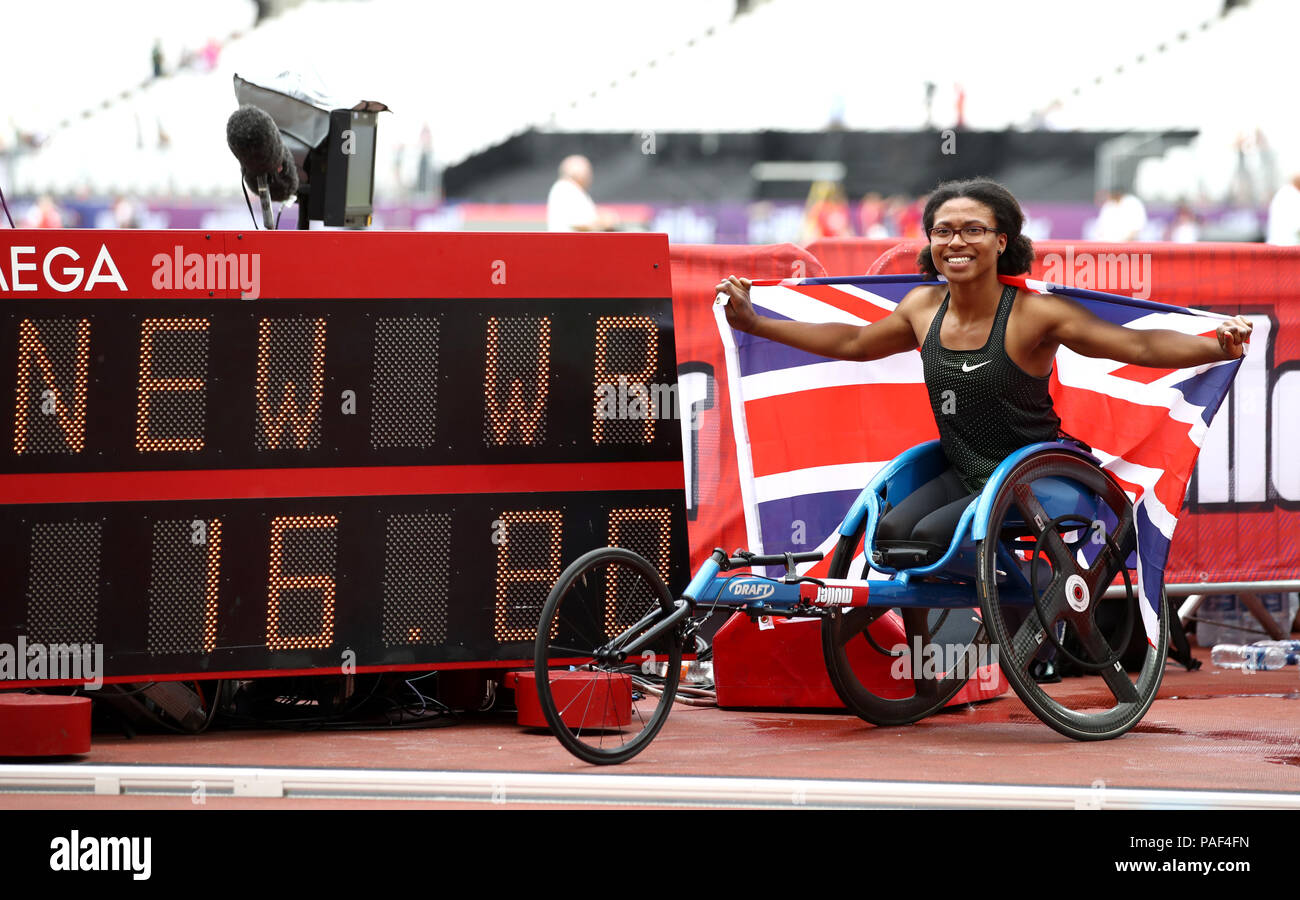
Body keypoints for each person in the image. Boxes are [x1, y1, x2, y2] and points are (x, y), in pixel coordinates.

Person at [715, 178, 1251, 558]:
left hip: (1030, 473)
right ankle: (933, 669)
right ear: (929, 243)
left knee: (929, 540)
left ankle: (1032, 614)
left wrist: (1213, 346)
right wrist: (755, 323)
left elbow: (1138, 349)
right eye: (943, 231)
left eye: (972, 230)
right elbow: (854, 340)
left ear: (1001, 241)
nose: (956, 242)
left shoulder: (1035, 314)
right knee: (892, 537)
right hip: (962, 470)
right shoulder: (922, 309)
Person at [546, 155, 616, 232]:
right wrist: (603, 222)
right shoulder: (566, 189)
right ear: (578, 173)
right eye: (587, 172)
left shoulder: (571, 188)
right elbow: (579, 223)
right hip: (569, 242)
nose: (590, 177)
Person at [1266, 172, 1300, 245]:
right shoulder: (1293, 196)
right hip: (1288, 247)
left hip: (1277, 246)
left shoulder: (1283, 193)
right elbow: (1297, 227)